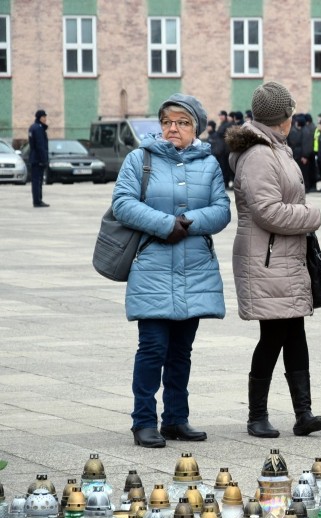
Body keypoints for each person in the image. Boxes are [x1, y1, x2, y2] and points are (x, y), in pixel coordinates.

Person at [112, 93, 231, 448]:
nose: (172, 129)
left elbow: (222, 209)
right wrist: (166, 224)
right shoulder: (140, 158)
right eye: (167, 122)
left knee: (182, 352)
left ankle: (176, 419)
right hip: (152, 268)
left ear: (196, 127)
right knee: (152, 349)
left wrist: (189, 222)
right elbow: (122, 203)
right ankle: (143, 421)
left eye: (181, 122)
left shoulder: (208, 163)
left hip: (194, 268)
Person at [226, 81, 321, 439]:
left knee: (294, 332)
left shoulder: (274, 148)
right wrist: (311, 216)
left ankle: (304, 413)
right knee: (272, 336)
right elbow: (268, 211)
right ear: (282, 118)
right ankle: (257, 416)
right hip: (265, 258)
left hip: (282, 257)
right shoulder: (259, 155)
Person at [28, 109, 49, 208]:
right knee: (37, 181)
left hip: (34, 158)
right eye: (44, 117)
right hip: (38, 159)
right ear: (40, 117)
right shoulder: (39, 128)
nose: (45, 119)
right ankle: (37, 201)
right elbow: (40, 146)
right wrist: (44, 160)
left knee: (36, 181)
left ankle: (37, 200)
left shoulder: (32, 127)